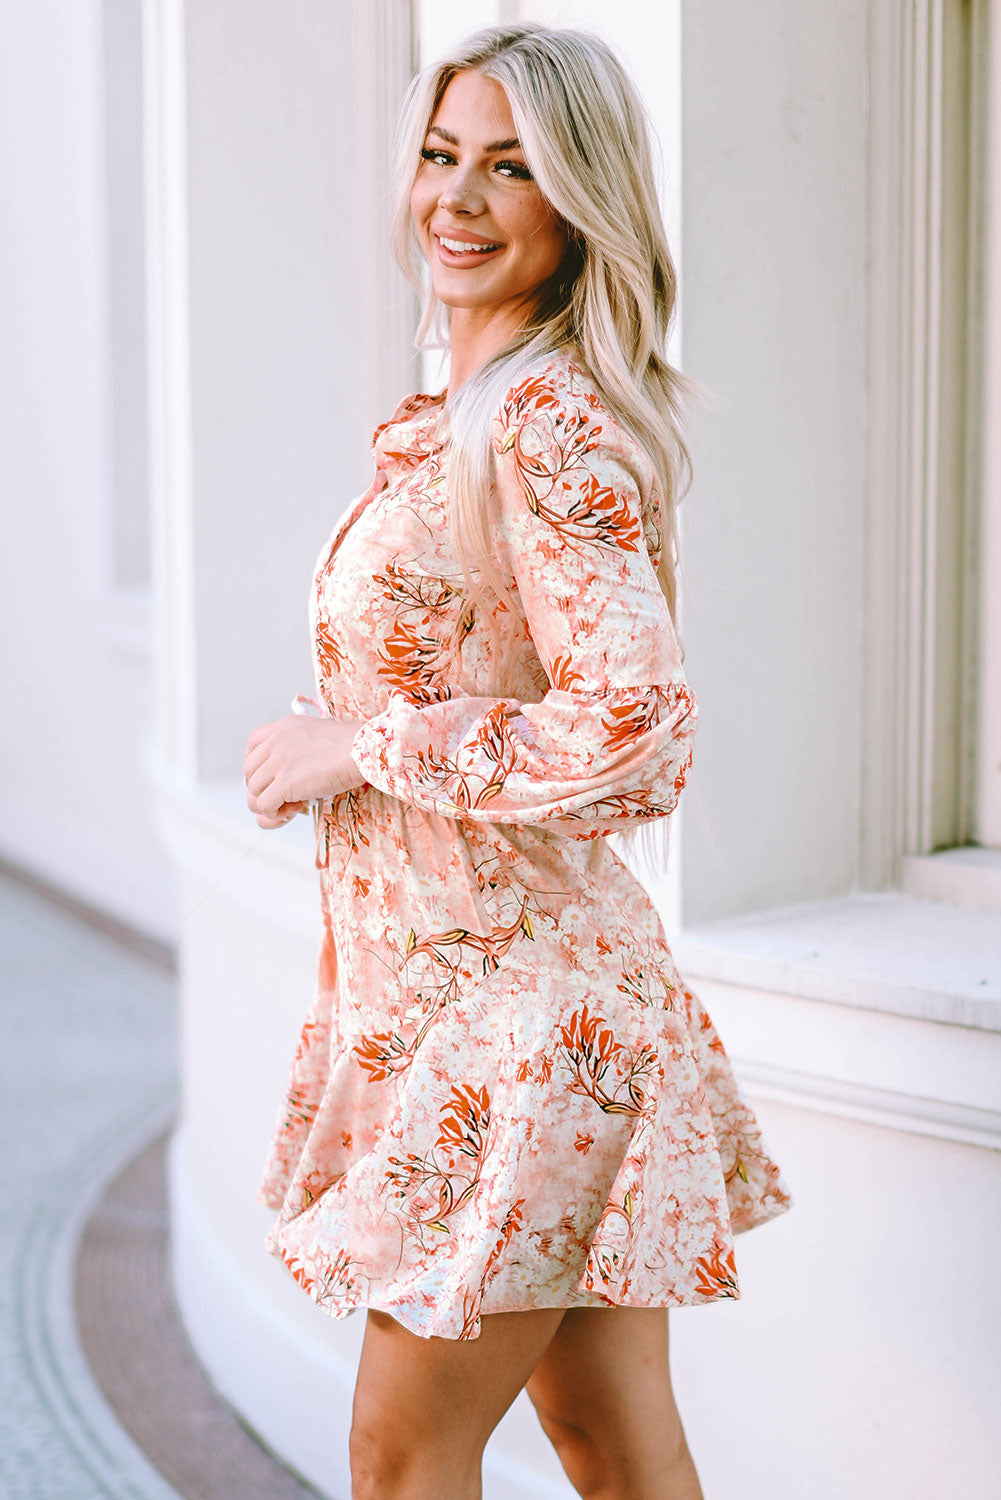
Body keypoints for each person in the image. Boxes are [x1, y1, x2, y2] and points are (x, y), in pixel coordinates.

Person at [243, 22, 793, 1500]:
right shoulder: (463, 425)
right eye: (440, 157)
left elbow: (638, 728)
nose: (457, 200)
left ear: (579, 201)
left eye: (511, 169)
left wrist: (358, 744)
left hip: (519, 1027)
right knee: (609, 1447)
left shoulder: (543, 432)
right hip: (483, 1005)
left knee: (400, 1446)